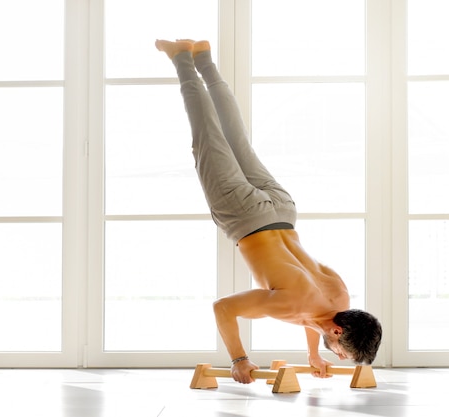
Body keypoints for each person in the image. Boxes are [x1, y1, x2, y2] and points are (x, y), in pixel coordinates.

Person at [155, 39, 382, 384]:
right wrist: (239, 359)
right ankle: (181, 59)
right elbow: (224, 308)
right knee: (207, 136)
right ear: (338, 331)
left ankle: (203, 58)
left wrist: (313, 353)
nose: (341, 358)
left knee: (234, 137)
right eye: (343, 352)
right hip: (244, 214)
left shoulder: (338, 296)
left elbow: (314, 317)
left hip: (282, 210)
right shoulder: (291, 306)